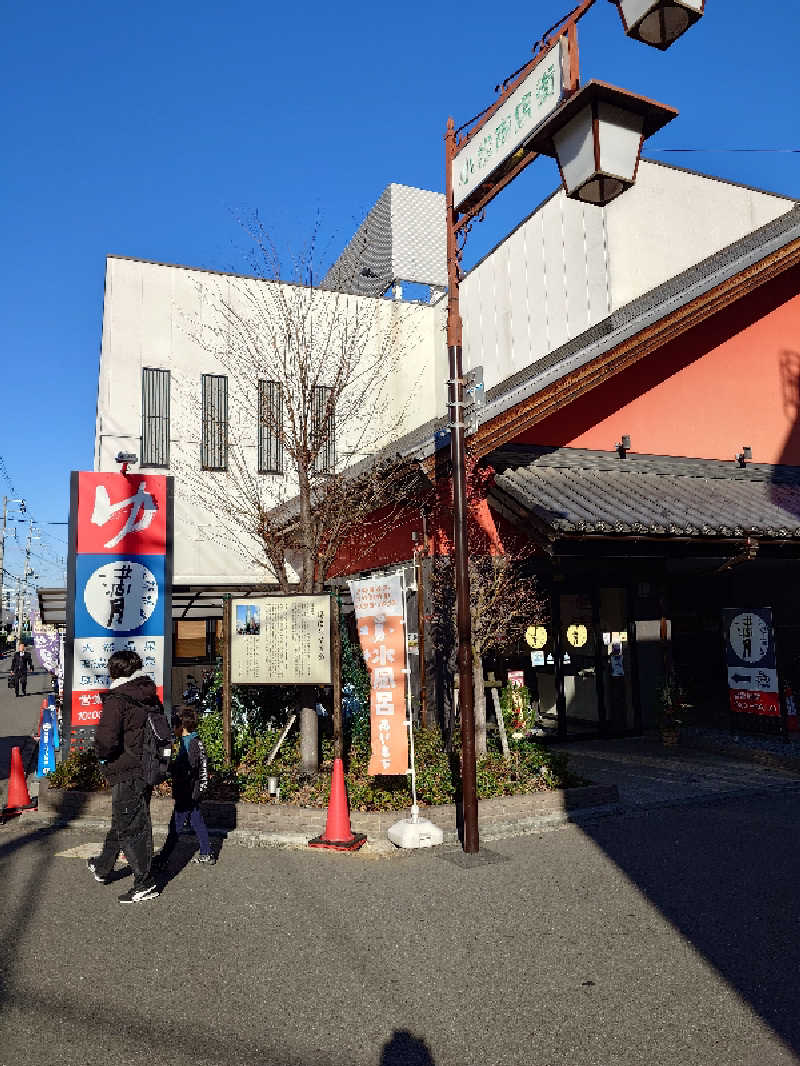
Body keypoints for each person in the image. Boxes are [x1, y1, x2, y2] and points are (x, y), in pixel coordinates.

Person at [88, 649, 161, 903]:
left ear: (114, 671)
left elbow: (106, 741)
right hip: (147, 767)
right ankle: (103, 867)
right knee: (125, 819)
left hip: (126, 769)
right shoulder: (149, 694)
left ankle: (145, 882)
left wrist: (99, 755)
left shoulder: (117, 699)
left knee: (132, 825)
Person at [154, 705, 215, 868]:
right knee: (197, 821)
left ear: (182, 726)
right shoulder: (195, 740)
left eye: (174, 726)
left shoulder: (190, 744)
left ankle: (163, 858)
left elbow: (189, 768)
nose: (173, 729)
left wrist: (169, 770)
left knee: (175, 827)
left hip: (187, 792)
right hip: (193, 791)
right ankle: (206, 853)